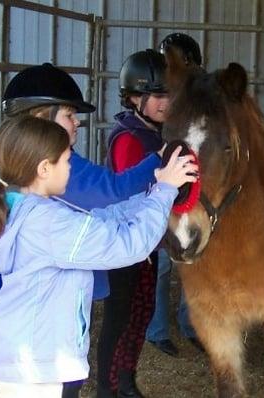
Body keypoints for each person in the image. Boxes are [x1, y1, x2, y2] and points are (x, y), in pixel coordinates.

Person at [0, 115, 197, 398]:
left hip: (28, 358)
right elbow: (127, 246)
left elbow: (100, 220)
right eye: (66, 161)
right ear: (44, 169)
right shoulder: (48, 222)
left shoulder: (30, 210)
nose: (70, 168)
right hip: (40, 368)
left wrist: (155, 190)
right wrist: (165, 192)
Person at [1, 62, 165, 301]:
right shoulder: (56, 167)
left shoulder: (40, 168)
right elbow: (114, 193)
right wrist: (160, 165)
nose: (77, 122)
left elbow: (105, 213)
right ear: (40, 118)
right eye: (69, 115)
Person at [95, 49, 171, 398]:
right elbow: (129, 194)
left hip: (147, 242)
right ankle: (107, 388)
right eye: (156, 95)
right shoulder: (129, 138)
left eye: (167, 94)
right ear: (134, 97)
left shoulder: (155, 135)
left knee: (141, 313)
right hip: (126, 242)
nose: (163, 102)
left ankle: (126, 381)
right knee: (120, 318)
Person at [145, 32, 204, 357]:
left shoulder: (198, 99)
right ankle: (156, 329)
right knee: (163, 265)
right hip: (160, 190)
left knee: (190, 262)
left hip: (189, 190)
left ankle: (188, 324)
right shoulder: (157, 97)